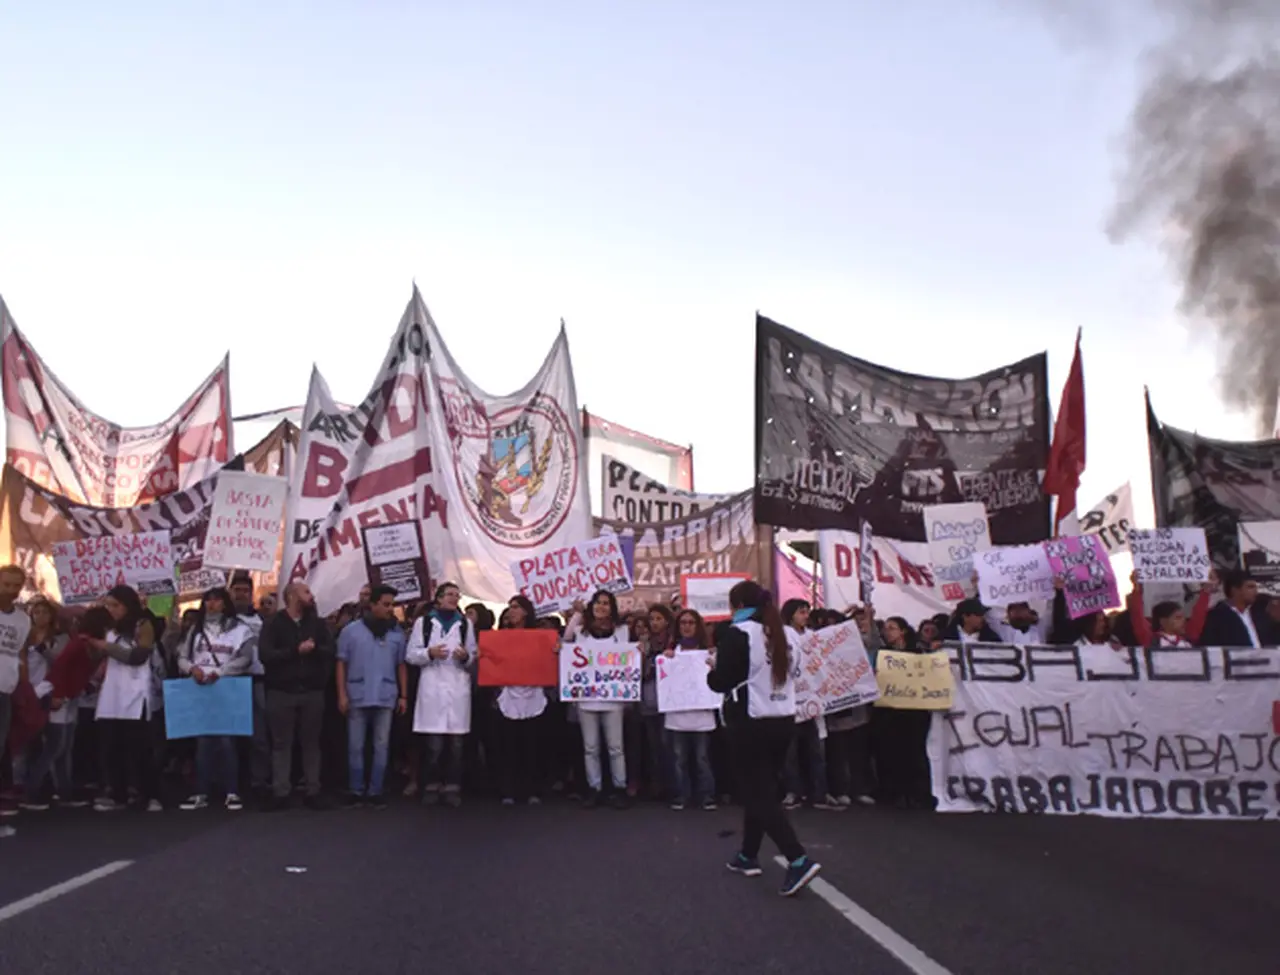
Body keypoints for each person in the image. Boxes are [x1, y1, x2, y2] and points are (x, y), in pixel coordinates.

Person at [708, 580, 821, 897]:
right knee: (762, 788)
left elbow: (722, 681)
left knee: (758, 793)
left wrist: (712, 669)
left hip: (750, 721)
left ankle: (797, 857)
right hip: (783, 718)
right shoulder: (787, 635)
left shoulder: (738, 635)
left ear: (739, 605)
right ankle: (748, 854)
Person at [175, 587, 256, 812]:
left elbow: (246, 658)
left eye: (217, 600)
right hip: (201, 690)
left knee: (227, 741)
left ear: (225, 603)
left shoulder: (240, 629)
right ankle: (202, 791)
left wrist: (220, 672)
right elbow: (181, 656)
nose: (212, 605)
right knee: (203, 742)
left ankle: (231, 791)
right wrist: (193, 669)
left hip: (227, 688)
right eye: (208, 600)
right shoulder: (196, 630)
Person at [24, 605, 111, 811]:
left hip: (69, 695)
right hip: (58, 694)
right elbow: (61, 667)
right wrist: (56, 694)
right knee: (55, 747)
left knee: (64, 748)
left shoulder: (85, 643)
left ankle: (64, 792)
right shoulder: (79, 644)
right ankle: (32, 792)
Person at [259, 581, 335, 811]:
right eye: (306, 592)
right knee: (281, 743)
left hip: (311, 691)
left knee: (311, 742)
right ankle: (281, 791)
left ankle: (313, 790)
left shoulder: (318, 623)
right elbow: (266, 655)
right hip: (281, 691)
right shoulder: (273, 623)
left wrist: (315, 651)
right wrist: (295, 651)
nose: (311, 596)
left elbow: (330, 650)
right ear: (292, 596)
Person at [93, 585, 164, 813]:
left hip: (135, 693)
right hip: (112, 692)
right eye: (108, 605)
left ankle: (151, 793)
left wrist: (108, 648)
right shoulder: (109, 629)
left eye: (116, 605)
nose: (111, 610)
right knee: (111, 748)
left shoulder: (142, 625)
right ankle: (118, 793)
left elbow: (138, 656)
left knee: (140, 748)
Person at [337, 584, 408, 809]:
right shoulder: (351, 631)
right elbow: (341, 663)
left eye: (392, 605)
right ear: (373, 604)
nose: (390, 609)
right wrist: (341, 694)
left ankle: (376, 790)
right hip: (357, 693)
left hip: (386, 695)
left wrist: (404, 695)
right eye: (386, 604)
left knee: (381, 745)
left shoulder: (396, 633)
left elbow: (401, 665)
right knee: (356, 745)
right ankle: (356, 790)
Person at [405, 582, 475, 808]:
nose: (454, 598)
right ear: (438, 598)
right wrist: (429, 653)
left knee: (456, 745)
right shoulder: (423, 623)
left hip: (457, 686)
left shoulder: (465, 624)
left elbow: (473, 655)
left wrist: (465, 657)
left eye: (457, 594)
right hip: (433, 686)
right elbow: (411, 655)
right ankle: (432, 785)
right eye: (450, 594)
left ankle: (453, 787)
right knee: (433, 745)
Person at [563, 591, 630, 810]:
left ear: (612, 607)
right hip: (587, 698)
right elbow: (566, 640)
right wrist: (577, 614)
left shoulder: (621, 631)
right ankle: (595, 787)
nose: (601, 607)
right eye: (598, 603)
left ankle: (620, 788)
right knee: (590, 747)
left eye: (606, 603)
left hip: (612, 698)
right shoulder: (582, 632)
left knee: (615, 747)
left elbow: (626, 657)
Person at [779, 599, 838, 812]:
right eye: (801, 612)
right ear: (791, 614)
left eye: (807, 612)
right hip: (791, 701)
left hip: (813, 701)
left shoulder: (813, 636)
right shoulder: (783, 634)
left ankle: (819, 793)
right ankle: (793, 792)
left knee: (816, 750)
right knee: (790, 752)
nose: (805, 616)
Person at [495, 595, 548, 806]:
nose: (511, 611)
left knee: (531, 745)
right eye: (509, 607)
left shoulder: (539, 637)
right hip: (508, 695)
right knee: (509, 745)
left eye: (516, 607)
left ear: (526, 611)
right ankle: (508, 789)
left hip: (533, 695)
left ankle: (532, 788)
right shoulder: (500, 637)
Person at [664, 607, 716, 812]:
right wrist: (665, 660)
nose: (686, 626)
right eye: (683, 623)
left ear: (698, 626)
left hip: (701, 715)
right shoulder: (671, 653)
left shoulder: (709, 652)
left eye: (691, 622)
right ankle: (681, 795)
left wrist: (714, 661)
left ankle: (707, 796)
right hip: (677, 715)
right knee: (679, 759)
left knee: (702, 758)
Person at [229, 571, 272, 799]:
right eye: (237, 590)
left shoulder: (261, 619)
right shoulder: (222, 620)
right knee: (229, 736)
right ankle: (231, 783)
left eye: (246, 590)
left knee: (259, 735)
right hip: (229, 681)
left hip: (256, 680)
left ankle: (259, 782)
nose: (241, 595)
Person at [0, 565, 32, 816]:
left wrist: (25, 686)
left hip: (6, 689)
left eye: (15, 586)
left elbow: (20, 654)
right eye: (6, 584)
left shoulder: (23, 619)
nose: (10, 590)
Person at [1198, 569, 1260, 648]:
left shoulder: (1258, 614)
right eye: (1250, 587)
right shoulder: (1217, 617)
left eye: (1256, 587)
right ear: (1235, 590)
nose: (1256, 591)